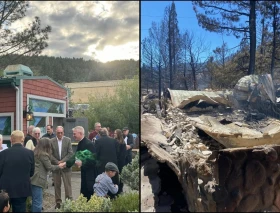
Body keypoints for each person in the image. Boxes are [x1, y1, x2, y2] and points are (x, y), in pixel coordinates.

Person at [0, 130, 34, 212]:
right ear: (23, 139)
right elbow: (31, 172)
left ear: (11, 139)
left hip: (5, 189)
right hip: (22, 189)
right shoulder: (30, 153)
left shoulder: (3, 154)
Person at [31, 138, 65, 212]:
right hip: (38, 180)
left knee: (35, 201)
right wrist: (59, 166)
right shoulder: (43, 155)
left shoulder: (36, 152)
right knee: (38, 203)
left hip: (33, 179)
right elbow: (49, 167)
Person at [67, 126, 97, 201]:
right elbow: (76, 156)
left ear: (80, 133)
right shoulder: (81, 143)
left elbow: (93, 160)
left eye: (74, 134)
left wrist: (82, 163)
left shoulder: (88, 144)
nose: (73, 136)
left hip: (90, 176)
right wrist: (66, 164)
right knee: (83, 195)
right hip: (84, 174)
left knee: (88, 196)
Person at [50, 126, 73, 209]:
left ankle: (68, 202)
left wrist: (62, 162)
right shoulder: (51, 141)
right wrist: (57, 162)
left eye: (61, 132)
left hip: (66, 167)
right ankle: (58, 202)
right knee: (57, 186)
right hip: (56, 167)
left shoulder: (68, 140)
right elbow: (50, 154)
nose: (59, 134)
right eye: (58, 132)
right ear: (56, 132)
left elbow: (70, 153)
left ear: (63, 132)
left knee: (67, 186)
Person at [95, 128, 119, 198]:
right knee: (112, 181)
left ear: (99, 134)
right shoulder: (114, 141)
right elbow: (117, 152)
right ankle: (113, 197)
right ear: (107, 133)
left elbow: (96, 154)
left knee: (103, 182)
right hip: (113, 165)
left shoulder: (98, 141)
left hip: (103, 166)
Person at [114, 129, 127, 194]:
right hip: (116, 162)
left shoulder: (122, 143)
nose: (114, 134)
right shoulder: (114, 142)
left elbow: (123, 155)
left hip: (120, 163)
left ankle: (120, 189)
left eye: (115, 133)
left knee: (120, 176)